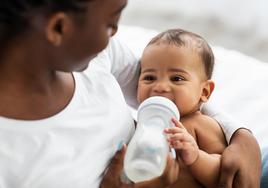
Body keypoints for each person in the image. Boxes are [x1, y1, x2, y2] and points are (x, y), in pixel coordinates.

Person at [0, 0, 261, 188]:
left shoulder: (97, 57)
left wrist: (240, 136)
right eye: (109, 24)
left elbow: (172, 91)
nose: (114, 35)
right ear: (59, 28)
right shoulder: (11, 154)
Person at [136, 28, 226, 187]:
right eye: (149, 77)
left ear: (204, 91)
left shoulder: (202, 124)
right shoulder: (142, 127)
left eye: (176, 78)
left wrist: (196, 157)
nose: (161, 87)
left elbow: (224, 175)